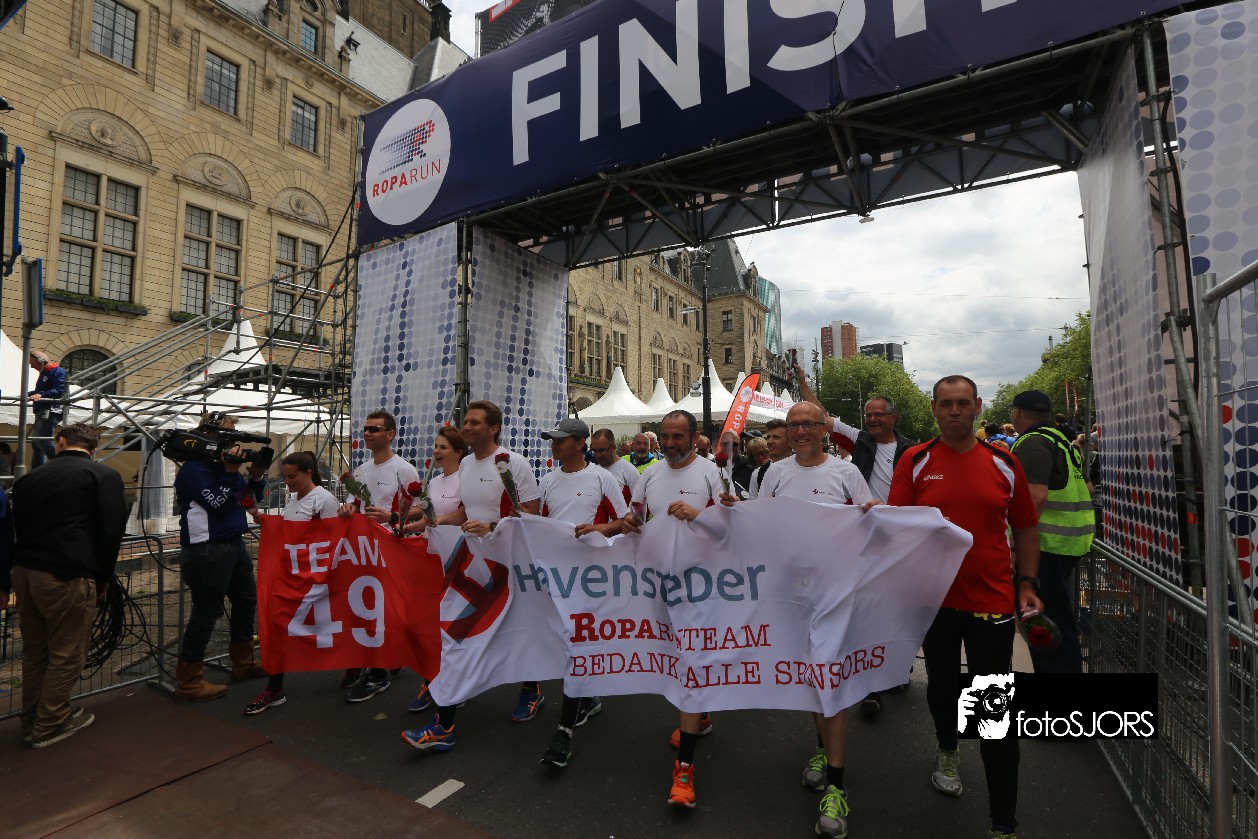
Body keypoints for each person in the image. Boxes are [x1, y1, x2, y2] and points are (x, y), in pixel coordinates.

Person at [888, 376, 1042, 839]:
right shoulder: (915, 460)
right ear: (934, 409)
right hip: (934, 601)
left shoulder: (1003, 461)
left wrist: (1028, 583)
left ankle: (1003, 822)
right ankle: (947, 749)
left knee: (994, 711)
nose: (954, 411)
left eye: (962, 403)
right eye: (945, 404)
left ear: (977, 407)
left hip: (990, 602)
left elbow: (1026, 528)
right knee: (941, 687)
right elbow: (897, 528)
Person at [722, 402, 875, 838]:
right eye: (794, 425)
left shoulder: (846, 473)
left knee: (829, 679)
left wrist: (881, 514)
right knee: (813, 679)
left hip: (836, 595)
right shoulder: (775, 473)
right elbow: (760, 524)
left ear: (824, 428)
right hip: (791, 596)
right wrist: (735, 511)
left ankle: (837, 786)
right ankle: (823, 749)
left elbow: (873, 519)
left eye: (809, 424)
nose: (801, 431)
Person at [402, 400, 541, 752]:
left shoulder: (513, 462)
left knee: (519, 628)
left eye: (474, 422)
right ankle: (444, 724)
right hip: (473, 563)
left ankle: (531, 689)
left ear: (493, 429)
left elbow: (532, 514)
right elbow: (465, 511)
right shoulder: (465, 464)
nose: (466, 426)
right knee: (456, 632)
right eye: (466, 421)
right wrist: (435, 521)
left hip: (509, 562)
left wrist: (493, 527)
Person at [622, 409, 720, 809]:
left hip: (704, 585)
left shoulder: (711, 472)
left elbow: (733, 524)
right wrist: (623, 524)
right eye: (665, 435)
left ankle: (685, 769)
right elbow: (635, 514)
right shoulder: (649, 474)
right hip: (661, 583)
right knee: (676, 656)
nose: (670, 443)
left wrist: (699, 515)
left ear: (694, 438)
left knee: (691, 662)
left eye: (678, 436)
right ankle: (700, 714)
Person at [11, 422, 127, 746]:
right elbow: (110, 531)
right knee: (67, 652)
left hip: (26, 571)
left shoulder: (29, 477)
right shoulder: (102, 475)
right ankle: (51, 723)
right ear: (94, 448)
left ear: (60, 442)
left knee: (36, 652)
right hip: (67, 574)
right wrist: (103, 576)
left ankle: (32, 720)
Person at [533, 418, 627, 767]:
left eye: (560, 439)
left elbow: (627, 521)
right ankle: (589, 697)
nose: (554, 444)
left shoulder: (602, 478)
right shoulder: (547, 481)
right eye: (552, 439)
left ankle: (564, 731)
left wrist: (600, 528)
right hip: (557, 577)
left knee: (577, 643)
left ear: (579, 443)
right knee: (564, 642)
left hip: (591, 579)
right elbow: (538, 525)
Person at [173, 413, 269, 702]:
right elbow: (215, 503)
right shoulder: (194, 469)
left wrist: (256, 476)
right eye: (226, 434)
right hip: (207, 547)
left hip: (233, 542)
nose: (232, 440)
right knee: (207, 611)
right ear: (208, 435)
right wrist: (230, 470)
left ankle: (243, 662)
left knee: (246, 600)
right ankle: (189, 681)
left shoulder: (223, 467)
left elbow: (246, 497)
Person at [242, 451, 340, 715]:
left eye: (292, 476)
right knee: (278, 627)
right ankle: (275, 688)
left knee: (334, 627)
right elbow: (291, 532)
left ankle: (360, 667)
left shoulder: (324, 499)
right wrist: (267, 523)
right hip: (294, 577)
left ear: (308, 474)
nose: (287, 482)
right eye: (285, 477)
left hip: (317, 580)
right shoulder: (294, 498)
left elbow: (334, 539)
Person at [336, 409, 421, 701]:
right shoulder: (361, 471)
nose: (367, 433)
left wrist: (392, 516)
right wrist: (347, 510)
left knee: (385, 608)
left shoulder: (404, 469)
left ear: (390, 434)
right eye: (366, 428)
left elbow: (421, 509)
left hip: (392, 549)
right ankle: (379, 664)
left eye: (374, 429)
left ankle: (378, 674)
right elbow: (354, 505)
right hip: (364, 551)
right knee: (370, 607)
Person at [1009, 390, 1094, 674]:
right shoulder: (1061, 440)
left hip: (1045, 546)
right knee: (1059, 619)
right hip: (1067, 543)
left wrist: (1017, 546)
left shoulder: (1032, 442)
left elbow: (1035, 498)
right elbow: (1088, 488)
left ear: (1017, 413)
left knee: (1042, 624)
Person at [402, 425, 468, 712]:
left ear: (458, 452)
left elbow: (463, 514)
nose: (436, 451)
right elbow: (430, 517)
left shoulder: (466, 479)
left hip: (459, 560)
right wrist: (408, 527)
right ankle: (432, 681)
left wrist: (439, 522)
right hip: (433, 559)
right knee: (431, 625)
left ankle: (456, 684)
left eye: (443, 447)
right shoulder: (435, 481)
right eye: (436, 446)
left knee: (454, 627)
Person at [27, 351, 68, 469]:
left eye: (33, 363)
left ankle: (62, 465)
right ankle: (37, 470)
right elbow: (43, 391)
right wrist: (30, 393)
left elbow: (59, 391)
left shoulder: (59, 372)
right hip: (43, 409)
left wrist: (41, 394)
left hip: (53, 410)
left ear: (41, 361)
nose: (32, 366)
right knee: (36, 442)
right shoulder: (45, 373)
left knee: (42, 440)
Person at [590, 427, 639, 503]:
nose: (598, 455)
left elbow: (639, 502)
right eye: (594, 451)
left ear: (614, 447)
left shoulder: (629, 471)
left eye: (602, 450)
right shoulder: (593, 472)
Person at [747, 418, 790, 499]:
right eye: (768, 437)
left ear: (789, 441)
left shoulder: (803, 467)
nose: (770, 441)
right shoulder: (758, 474)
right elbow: (753, 504)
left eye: (776, 437)